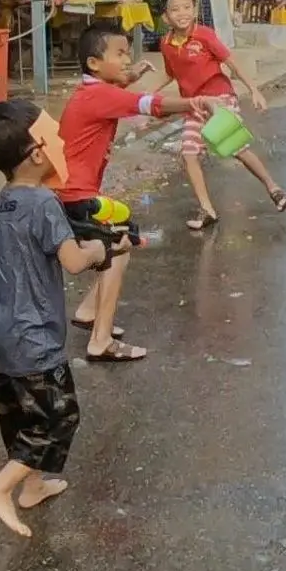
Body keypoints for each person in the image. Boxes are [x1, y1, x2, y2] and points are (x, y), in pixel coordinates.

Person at [0, 98, 119, 538]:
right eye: (56, 138)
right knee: (58, 417)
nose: (62, 145)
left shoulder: (8, 199)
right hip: (34, 336)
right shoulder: (44, 204)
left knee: (21, 415)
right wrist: (101, 250)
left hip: (1, 330)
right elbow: (74, 261)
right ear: (37, 152)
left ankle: (32, 487)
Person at [56, 22, 213, 361]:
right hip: (76, 196)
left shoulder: (92, 89)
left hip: (70, 193)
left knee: (123, 234)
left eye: (128, 52)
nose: (128, 59)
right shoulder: (98, 95)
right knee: (120, 246)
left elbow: (122, 88)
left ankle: (87, 311)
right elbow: (149, 104)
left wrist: (129, 74)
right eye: (120, 53)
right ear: (94, 63)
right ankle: (100, 341)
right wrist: (194, 102)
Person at [153, 0, 286, 230]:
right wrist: (148, 95)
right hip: (194, 105)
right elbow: (171, 73)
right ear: (166, 17)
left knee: (235, 148)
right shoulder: (166, 43)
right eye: (175, 9)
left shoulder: (204, 35)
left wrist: (254, 90)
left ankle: (273, 187)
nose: (181, 13)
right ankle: (207, 209)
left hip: (221, 99)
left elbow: (231, 62)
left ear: (194, 11)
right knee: (189, 153)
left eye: (186, 7)